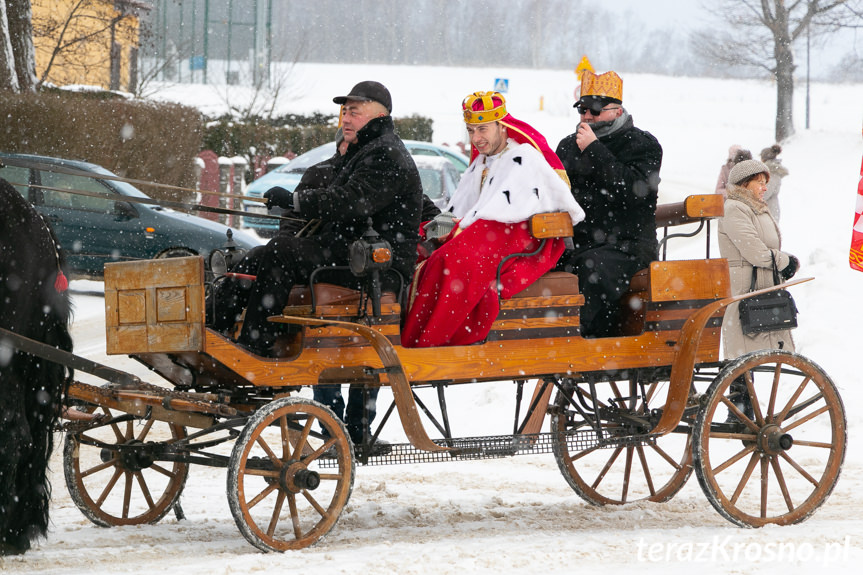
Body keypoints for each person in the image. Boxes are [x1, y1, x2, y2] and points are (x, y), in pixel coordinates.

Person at [214, 80, 423, 450]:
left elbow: (352, 201)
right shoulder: (365, 150)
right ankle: (216, 334)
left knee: (281, 252)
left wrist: (295, 200)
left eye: (354, 110)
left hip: (374, 266)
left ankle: (257, 348)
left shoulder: (387, 153)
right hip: (350, 254)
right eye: (344, 110)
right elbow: (338, 201)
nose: (346, 116)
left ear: (380, 113)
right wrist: (297, 208)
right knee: (258, 256)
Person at [401, 91, 584, 348]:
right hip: (488, 233)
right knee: (418, 244)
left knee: (451, 261)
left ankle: (429, 340)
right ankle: (408, 334)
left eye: (483, 129)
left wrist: (458, 232)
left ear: (502, 125)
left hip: (520, 240)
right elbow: (467, 211)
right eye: (471, 131)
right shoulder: (483, 162)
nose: (476, 138)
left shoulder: (523, 157)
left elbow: (506, 215)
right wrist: (444, 228)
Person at [554, 70, 662, 338]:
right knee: (545, 265)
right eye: (582, 109)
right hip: (580, 241)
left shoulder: (643, 144)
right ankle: (541, 333)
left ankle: (582, 338)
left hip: (628, 245)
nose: (587, 116)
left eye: (595, 109)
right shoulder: (567, 146)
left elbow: (634, 192)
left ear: (616, 110)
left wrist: (594, 150)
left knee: (592, 267)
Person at [718, 159, 799, 420]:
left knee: (750, 350)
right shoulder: (734, 208)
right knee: (742, 350)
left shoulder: (756, 209)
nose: (765, 188)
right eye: (760, 183)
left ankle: (743, 409)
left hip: (761, 286)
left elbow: (763, 250)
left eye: (766, 183)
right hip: (744, 287)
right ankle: (739, 410)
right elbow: (753, 250)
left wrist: (780, 260)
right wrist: (784, 260)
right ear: (745, 183)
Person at [760, 144, 788, 221]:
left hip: (769, 208)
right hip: (771, 207)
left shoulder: (771, 173)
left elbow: (766, 193)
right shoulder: (772, 171)